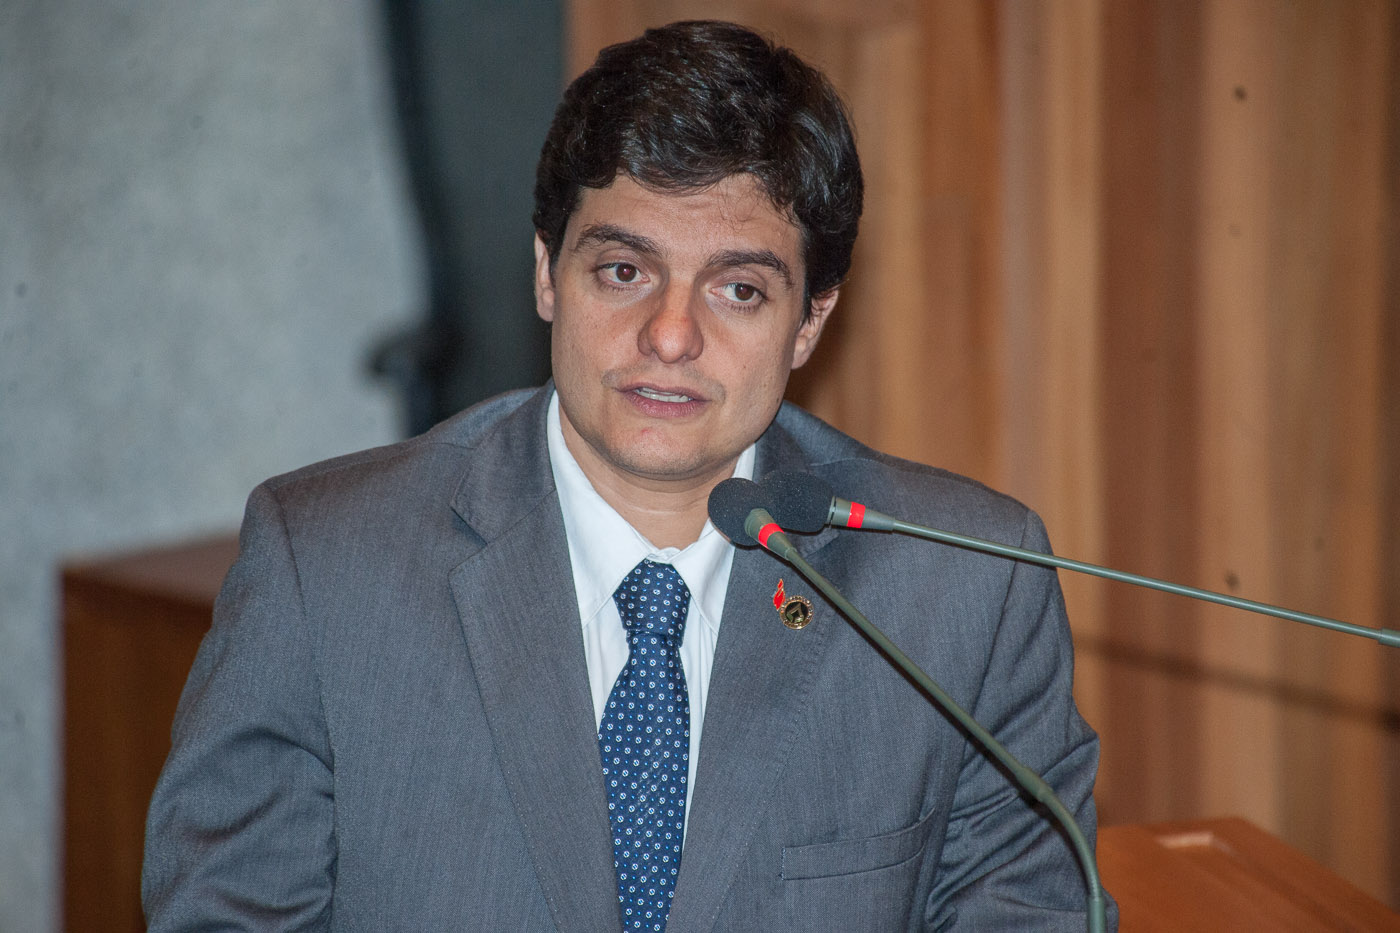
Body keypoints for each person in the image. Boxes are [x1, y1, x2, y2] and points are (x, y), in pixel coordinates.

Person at [143, 20, 1113, 932]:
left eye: (739, 289)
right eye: (623, 272)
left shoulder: (960, 587)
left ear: (810, 321)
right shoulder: (326, 567)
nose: (671, 335)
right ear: (545, 272)